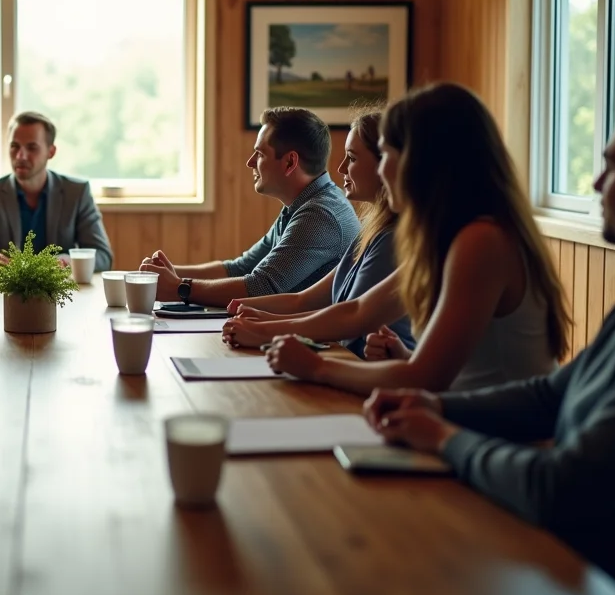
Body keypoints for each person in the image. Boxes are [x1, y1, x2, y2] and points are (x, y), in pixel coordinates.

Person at [364, 87, 615, 595]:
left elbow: (561, 486)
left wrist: (443, 436)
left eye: (612, 167)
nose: (595, 183)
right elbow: (549, 395)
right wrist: (435, 406)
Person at [252, 83, 569, 394]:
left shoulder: (482, 241)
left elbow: (425, 377)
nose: (383, 168)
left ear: (422, 162)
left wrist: (315, 367)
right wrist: (402, 357)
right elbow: (362, 310)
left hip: (498, 437)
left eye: (387, 153)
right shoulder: (446, 238)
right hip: (464, 423)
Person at [220, 109, 413, 358]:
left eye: (352, 158)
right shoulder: (372, 229)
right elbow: (307, 301)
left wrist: (267, 329)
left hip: (366, 367)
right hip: (350, 360)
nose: (341, 168)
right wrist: (257, 314)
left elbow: (351, 315)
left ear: (387, 165)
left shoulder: (390, 238)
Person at [140, 106, 361, 306]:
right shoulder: (305, 204)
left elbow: (260, 288)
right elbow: (241, 268)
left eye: (260, 153)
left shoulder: (320, 215)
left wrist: (180, 287)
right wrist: (165, 274)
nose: (250, 162)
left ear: (290, 162)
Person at [0, 111, 113, 273]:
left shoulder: (76, 192)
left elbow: (102, 256)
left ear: (51, 152)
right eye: (14, 146)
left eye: (31, 147)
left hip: (62, 294)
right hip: (6, 294)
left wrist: (65, 261)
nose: (20, 156)